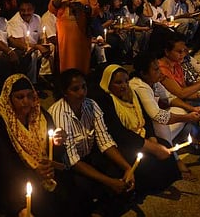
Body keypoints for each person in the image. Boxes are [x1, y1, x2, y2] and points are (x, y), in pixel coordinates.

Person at [48, 68, 135, 217]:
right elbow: (72, 160)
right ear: (64, 92)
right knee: (84, 188)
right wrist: (109, 182)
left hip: (89, 156)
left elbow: (104, 140)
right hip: (70, 167)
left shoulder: (91, 105)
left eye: (84, 87)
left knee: (121, 173)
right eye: (75, 89)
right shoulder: (60, 114)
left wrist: (128, 168)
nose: (82, 92)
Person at [91, 64, 182, 197]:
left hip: (141, 137)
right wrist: (151, 147)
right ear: (108, 83)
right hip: (124, 143)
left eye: (126, 81)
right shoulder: (105, 101)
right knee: (147, 161)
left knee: (165, 145)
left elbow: (145, 119)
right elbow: (119, 132)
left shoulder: (132, 94)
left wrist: (153, 140)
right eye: (118, 82)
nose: (124, 86)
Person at [0, 74, 68, 217]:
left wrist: (58, 142)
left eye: (30, 96)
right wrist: (35, 172)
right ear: (9, 99)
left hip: (48, 175)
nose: (26, 101)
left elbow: (54, 153)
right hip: (18, 181)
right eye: (19, 97)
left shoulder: (41, 116)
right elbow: (5, 165)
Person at [130, 51, 200, 181]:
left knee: (180, 110)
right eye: (155, 69)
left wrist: (192, 109)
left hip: (158, 129)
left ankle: (169, 144)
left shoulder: (152, 81)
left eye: (159, 68)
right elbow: (158, 116)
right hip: (143, 129)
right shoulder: (139, 86)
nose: (160, 72)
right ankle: (176, 160)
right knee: (161, 121)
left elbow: (170, 98)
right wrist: (188, 118)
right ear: (143, 73)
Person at [48, 0, 99, 74]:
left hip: (81, 30)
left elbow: (95, 10)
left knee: (80, 57)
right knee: (66, 56)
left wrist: (83, 8)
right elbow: (52, 8)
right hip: (65, 31)